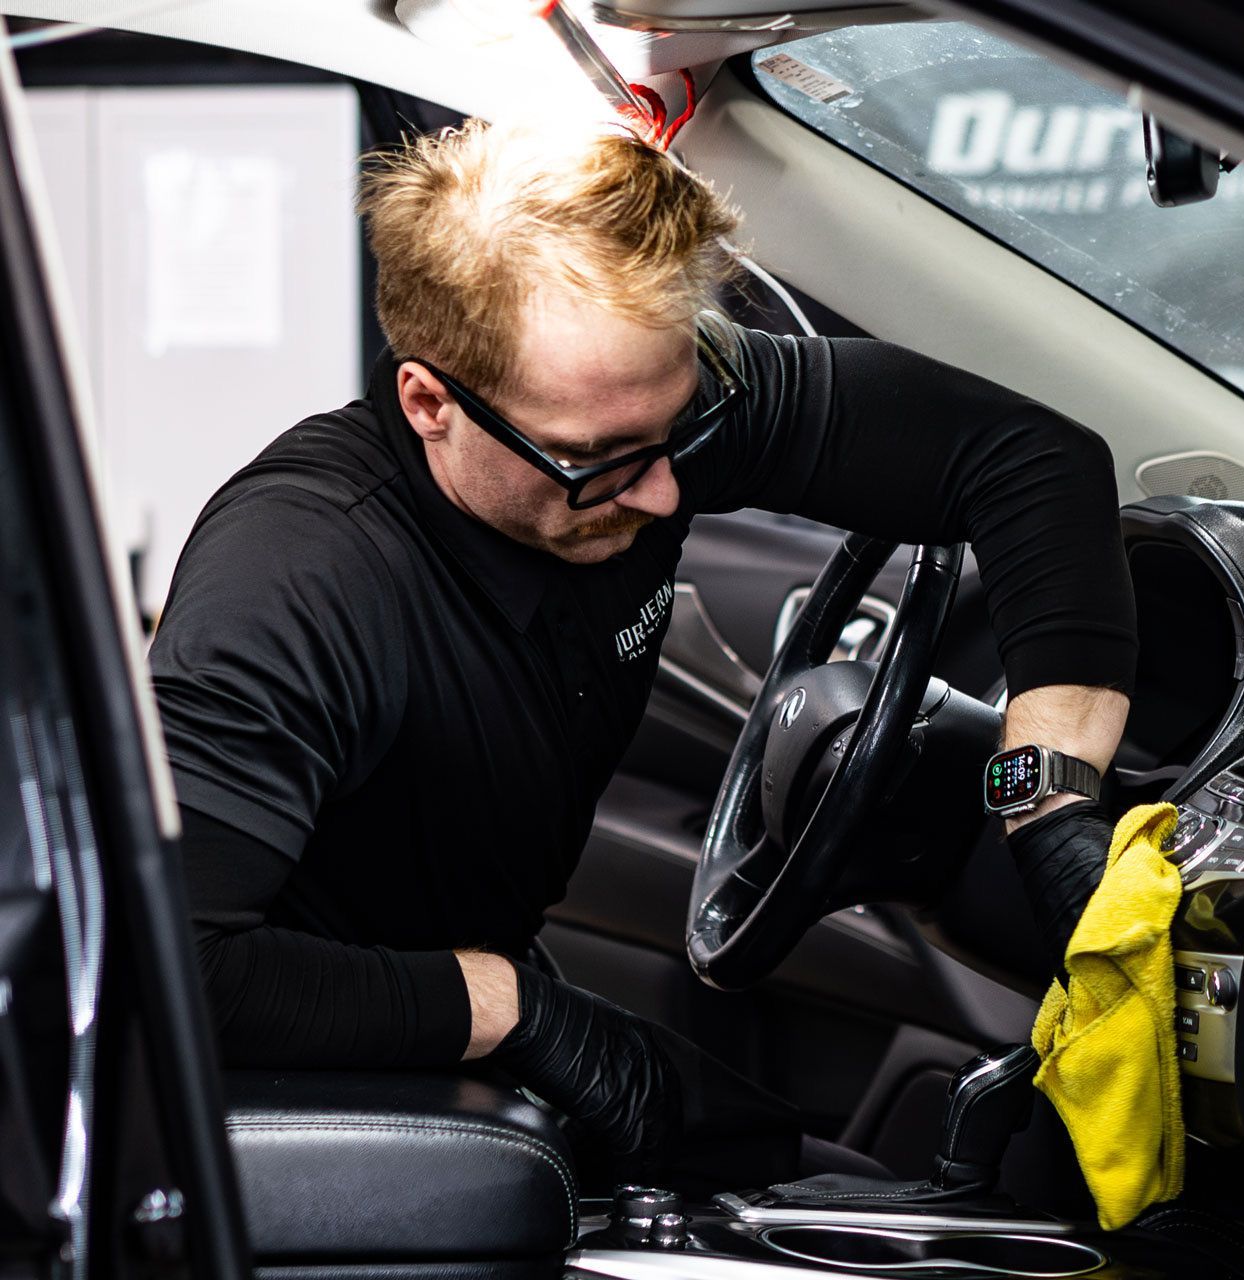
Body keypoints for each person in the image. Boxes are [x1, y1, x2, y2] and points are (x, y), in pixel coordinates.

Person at [153, 119, 1133, 1184]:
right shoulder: (297, 580)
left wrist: (1046, 799)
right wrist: (506, 1004)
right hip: (319, 1099)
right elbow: (167, 969)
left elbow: (1030, 462)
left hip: (485, 1023)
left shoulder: (629, 412)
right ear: (430, 401)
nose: (666, 492)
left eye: (679, 431)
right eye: (599, 462)